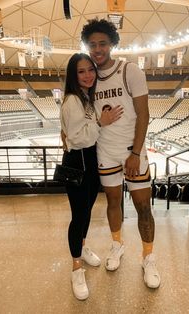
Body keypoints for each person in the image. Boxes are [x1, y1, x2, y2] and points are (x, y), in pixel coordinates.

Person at [81, 19, 161, 289]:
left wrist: (136, 152)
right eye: (92, 44)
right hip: (105, 152)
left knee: (142, 207)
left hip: (132, 152)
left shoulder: (130, 71)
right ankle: (117, 245)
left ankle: (148, 257)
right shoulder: (88, 78)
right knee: (113, 203)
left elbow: (144, 114)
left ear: (112, 43)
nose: (97, 49)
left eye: (102, 43)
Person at [60, 53, 123, 300]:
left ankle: (83, 247)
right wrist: (102, 122)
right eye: (81, 72)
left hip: (90, 162)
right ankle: (76, 267)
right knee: (78, 216)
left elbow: (71, 134)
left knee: (86, 211)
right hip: (77, 164)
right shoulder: (72, 100)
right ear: (73, 76)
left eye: (90, 70)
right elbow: (77, 139)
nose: (88, 75)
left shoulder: (86, 97)